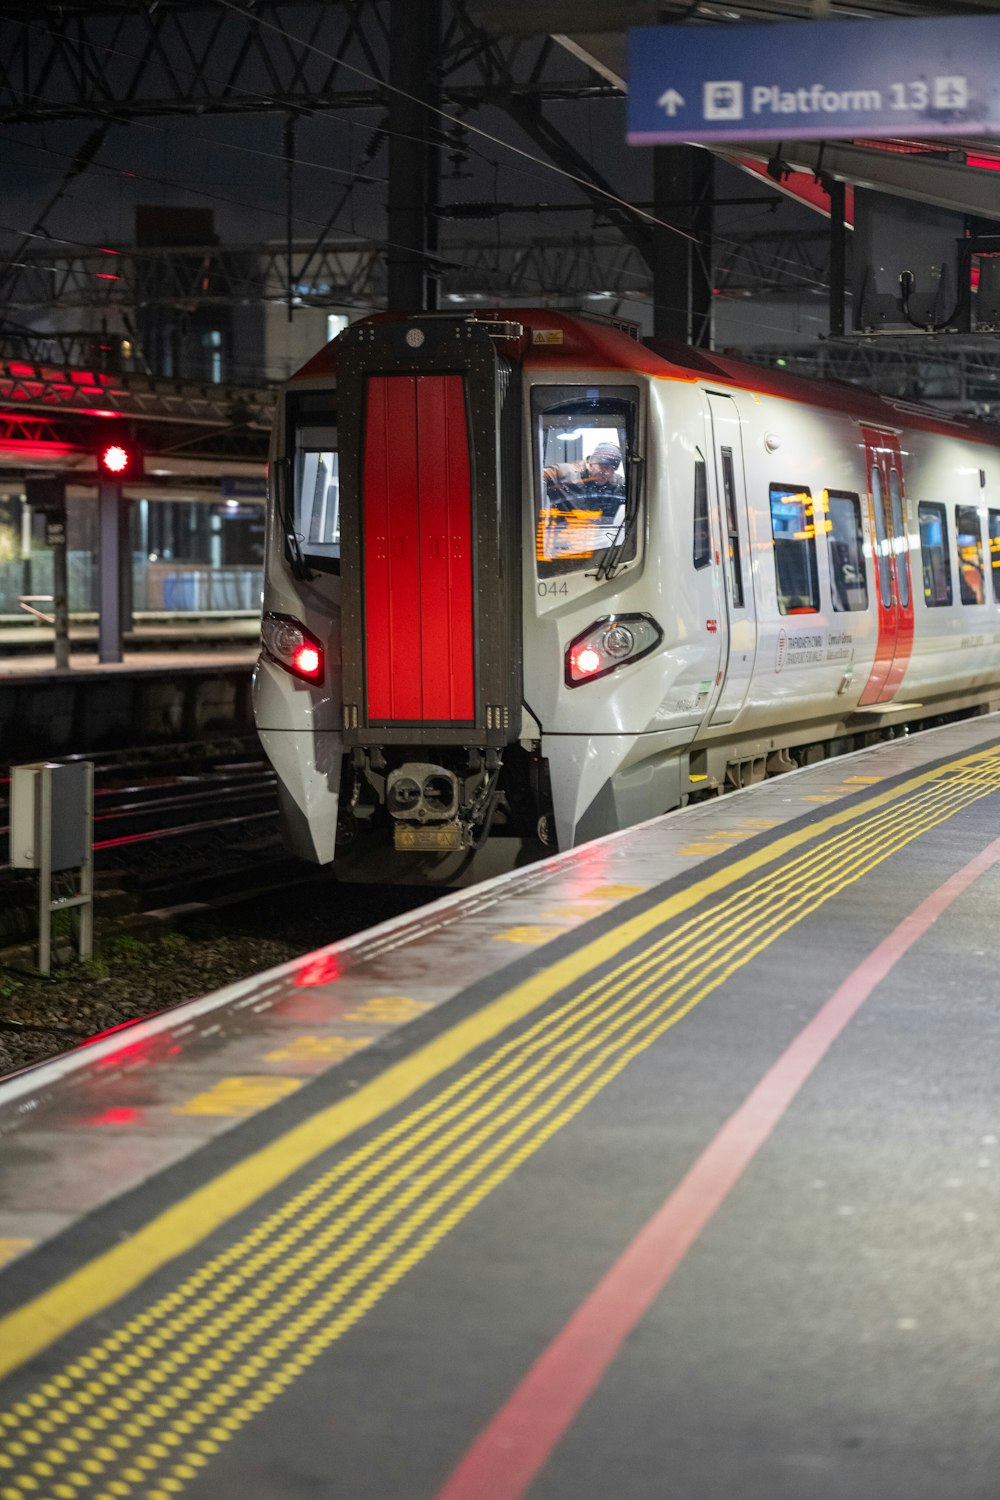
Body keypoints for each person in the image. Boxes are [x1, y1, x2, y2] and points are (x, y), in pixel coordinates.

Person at [543, 442, 625, 519]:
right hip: (564, 532)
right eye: (604, 467)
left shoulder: (617, 483)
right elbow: (533, 478)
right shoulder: (563, 473)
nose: (608, 473)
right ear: (590, 463)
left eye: (613, 469)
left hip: (606, 533)